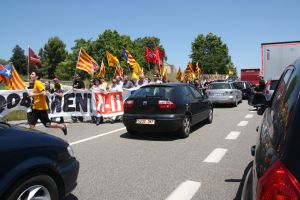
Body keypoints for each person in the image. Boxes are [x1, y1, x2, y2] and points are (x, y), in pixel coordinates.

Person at [27, 70, 67, 135]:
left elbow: (44, 93)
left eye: (32, 74)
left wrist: (33, 94)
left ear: (37, 76)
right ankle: (36, 138)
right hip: (35, 108)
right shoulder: (35, 83)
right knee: (31, 125)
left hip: (41, 109)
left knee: (47, 124)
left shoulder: (38, 83)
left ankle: (62, 126)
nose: (30, 75)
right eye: (31, 74)